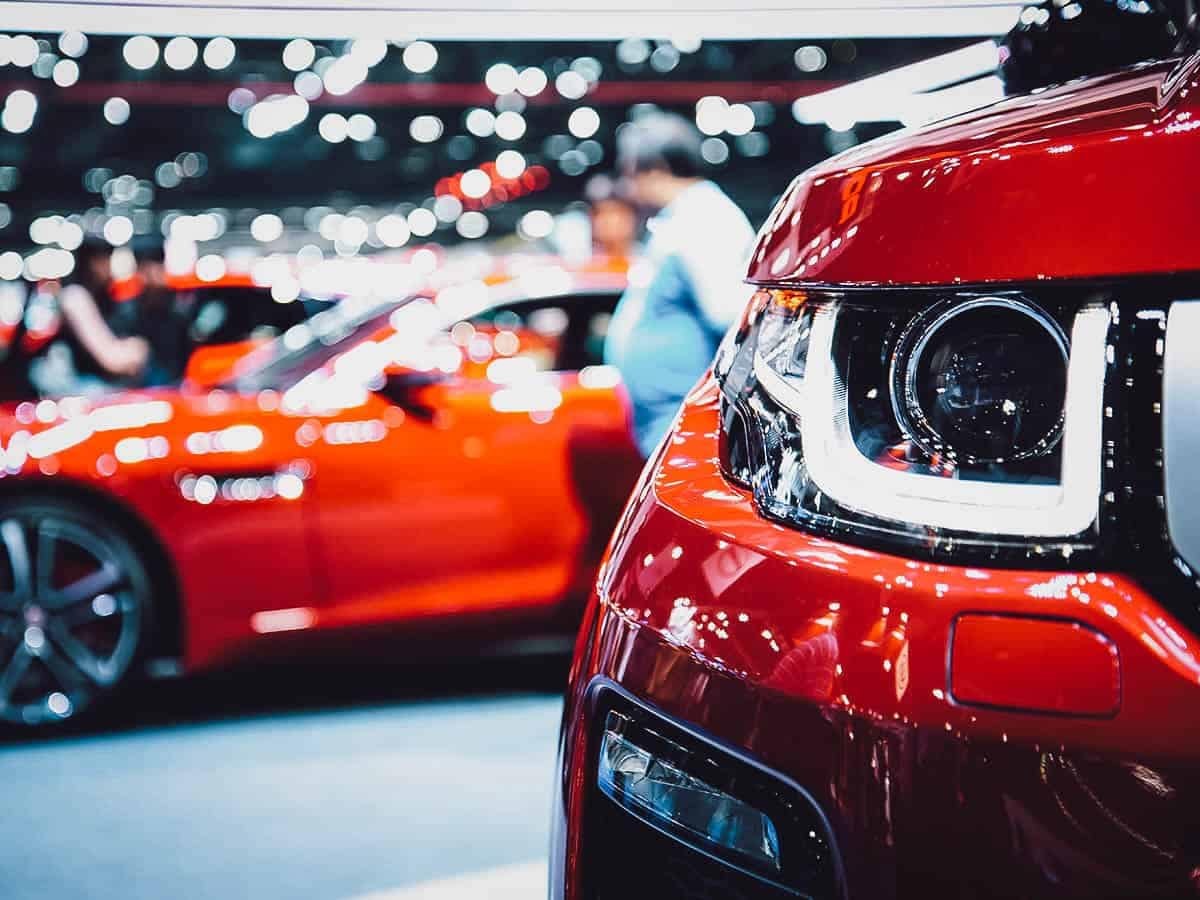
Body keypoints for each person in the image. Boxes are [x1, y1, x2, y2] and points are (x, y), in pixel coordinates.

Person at [603, 112, 755, 457]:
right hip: (671, 414)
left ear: (653, 167)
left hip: (687, 416)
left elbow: (729, 317)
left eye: (629, 172)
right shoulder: (685, 216)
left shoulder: (705, 217)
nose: (627, 186)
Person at [31, 239, 148, 396]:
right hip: (79, 390)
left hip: (96, 386)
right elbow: (111, 358)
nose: (109, 266)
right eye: (105, 258)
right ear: (91, 261)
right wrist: (140, 349)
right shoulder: (74, 296)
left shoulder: (103, 296)